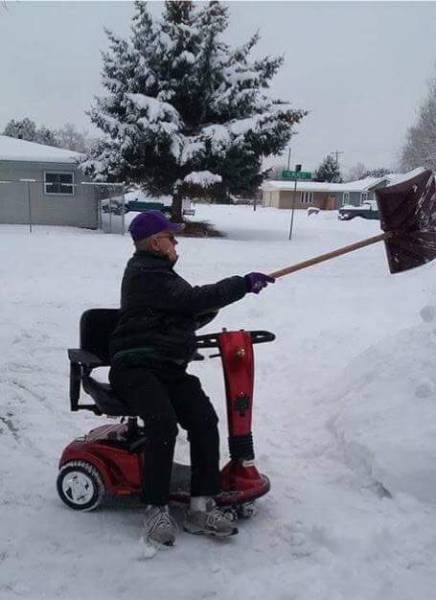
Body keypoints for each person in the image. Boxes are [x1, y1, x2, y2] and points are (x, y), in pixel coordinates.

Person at [109, 210, 274, 549]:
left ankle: (200, 506)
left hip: (167, 368)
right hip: (135, 367)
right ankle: (156, 508)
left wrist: (205, 310)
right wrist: (241, 285)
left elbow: (183, 313)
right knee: (162, 423)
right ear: (156, 243)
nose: (176, 242)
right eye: (171, 237)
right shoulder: (144, 272)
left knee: (203, 419)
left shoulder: (160, 274)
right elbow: (190, 300)